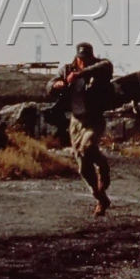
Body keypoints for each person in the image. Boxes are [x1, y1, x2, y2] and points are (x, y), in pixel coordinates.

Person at [48, 42, 114, 216]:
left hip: (94, 119)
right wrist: (56, 85)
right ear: (76, 57)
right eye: (81, 59)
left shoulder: (99, 68)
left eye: (87, 59)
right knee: (83, 167)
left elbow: (106, 65)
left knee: (88, 146)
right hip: (76, 121)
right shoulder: (66, 69)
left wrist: (81, 73)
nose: (83, 62)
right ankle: (100, 198)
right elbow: (51, 84)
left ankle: (103, 167)